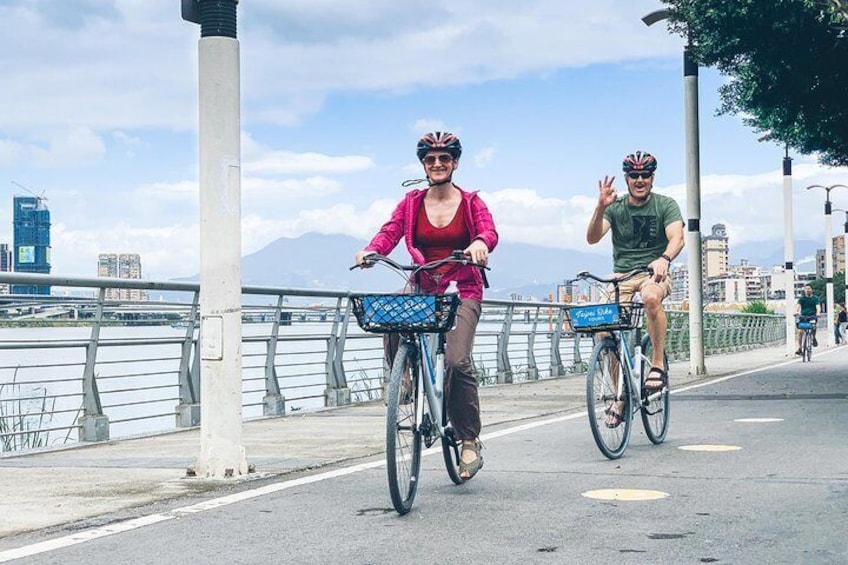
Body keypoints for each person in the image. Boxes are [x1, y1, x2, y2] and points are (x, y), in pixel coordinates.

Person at [354, 131, 498, 480]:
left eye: (444, 158)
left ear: (455, 163)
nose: (437, 164)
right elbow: (389, 233)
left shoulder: (470, 202)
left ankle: (469, 439)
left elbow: (488, 232)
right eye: (431, 159)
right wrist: (371, 250)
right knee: (390, 314)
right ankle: (402, 376)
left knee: (456, 359)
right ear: (423, 164)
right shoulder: (411, 203)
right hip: (423, 284)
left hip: (463, 287)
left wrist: (479, 243)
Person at [586, 151, 685, 428]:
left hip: (653, 273)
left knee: (651, 297)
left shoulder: (665, 205)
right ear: (627, 179)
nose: (639, 180)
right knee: (604, 326)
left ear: (652, 178)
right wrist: (600, 207)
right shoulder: (615, 208)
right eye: (634, 176)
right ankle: (621, 394)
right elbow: (593, 238)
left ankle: (657, 364)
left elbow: (677, 237)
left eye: (645, 175)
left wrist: (664, 259)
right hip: (621, 276)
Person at [795, 284, 820, 355]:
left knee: (813, 327)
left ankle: (813, 338)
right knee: (800, 331)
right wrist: (796, 311)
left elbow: (818, 306)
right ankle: (799, 348)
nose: (808, 290)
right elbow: (798, 305)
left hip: (812, 316)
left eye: (809, 288)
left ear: (812, 290)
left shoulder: (815, 298)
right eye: (806, 289)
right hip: (803, 316)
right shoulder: (802, 299)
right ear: (804, 290)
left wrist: (818, 313)